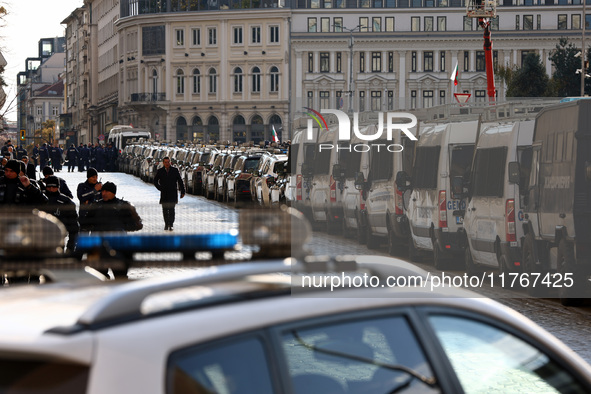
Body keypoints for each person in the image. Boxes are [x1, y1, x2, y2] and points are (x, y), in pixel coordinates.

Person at [40, 175, 79, 253]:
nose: (51, 189)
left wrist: (70, 246)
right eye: (49, 187)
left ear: (58, 187)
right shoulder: (40, 199)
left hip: (58, 239)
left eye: (54, 187)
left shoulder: (66, 202)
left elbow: (73, 226)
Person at [154, 156, 185, 231]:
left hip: (172, 193)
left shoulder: (175, 170)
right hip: (164, 193)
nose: (167, 164)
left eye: (168, 162)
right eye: (165, 162)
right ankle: (166, 224)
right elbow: (155, 181)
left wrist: (182, 191)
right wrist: (160, 188)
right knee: (165, 210)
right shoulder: (160, 171)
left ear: (170, 162)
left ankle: (171, 224)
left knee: (171, 210)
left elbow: (180, 181)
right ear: (163, 163)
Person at [77, 167, 102, 231]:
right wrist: (94, 191)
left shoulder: (100, 187)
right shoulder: (82, 186)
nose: (95, 179)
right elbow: (82, 197)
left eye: (96, 177)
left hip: (97, 217)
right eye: (93, 177)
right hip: (84, 217)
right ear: (88, 177)